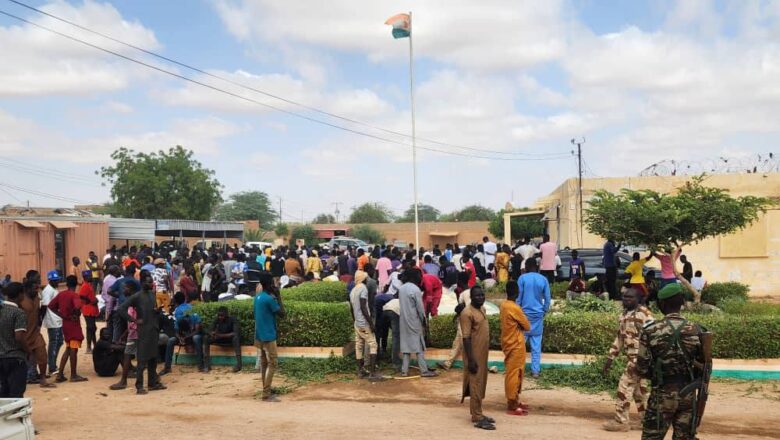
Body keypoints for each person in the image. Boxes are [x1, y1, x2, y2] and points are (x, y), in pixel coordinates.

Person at [637, 283, 704, 439]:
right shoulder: (697, 330)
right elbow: (703, 366)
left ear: (662, 304)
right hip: (688, 396)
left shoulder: (650, 331)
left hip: (662, 395)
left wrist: (658, 374)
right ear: (681, 303)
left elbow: (641, 368)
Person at [602, 287, 654, 432]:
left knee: (623, 388)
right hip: (631, 358)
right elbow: (620, 337)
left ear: (639, 300)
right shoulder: (624, 314)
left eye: (630, 297)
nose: (626, 300)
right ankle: (648, 422)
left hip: (639, 359)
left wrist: (648, 359)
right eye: (625, 297)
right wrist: (610, 357)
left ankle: (621, 422)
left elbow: (655, 337)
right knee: (640, 392)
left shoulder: (645, 315)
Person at [118, 271, 167, 395]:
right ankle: (139, 386)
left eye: (151, 282)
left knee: (153, 358)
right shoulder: (137, 296)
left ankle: (152, 383)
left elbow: (150, 310)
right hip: (143, 330)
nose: (151, 284)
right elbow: (121, 309)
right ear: (142, 283)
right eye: (149, 282)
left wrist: (156, 311)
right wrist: (133, 320)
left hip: (153, 329)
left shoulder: (152, 294)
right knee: (142, 359)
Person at [460, 286, 494, 430]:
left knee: (480, 383)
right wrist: (471, 359)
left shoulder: (482, 309)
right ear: (471, 297)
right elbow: (466, 338)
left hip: (482, 353)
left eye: (482, 295)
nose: (481, 298)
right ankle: (477, 416)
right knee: (475, 383)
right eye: (477, 296)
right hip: (473, 355)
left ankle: (479, 412)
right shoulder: (467, 313)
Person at [48, 275, 87, 383]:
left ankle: (60, 374)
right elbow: (78, 306)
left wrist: (62, 315)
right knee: (73, 349)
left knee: (68, 349)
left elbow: (51, 306)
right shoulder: (74, 295)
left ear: (67, 284)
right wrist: (75, 313)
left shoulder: (61, 294)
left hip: (65, 323)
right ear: (76, 284)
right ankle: (73, 375)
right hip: (73, 324)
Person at [500, 282, 531, 416]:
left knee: (514, 372)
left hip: (508, 342)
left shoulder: (503, 305)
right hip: (516, 344)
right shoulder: (514, 307)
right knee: (514, 373)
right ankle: (512, 404)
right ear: (517, 292)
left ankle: (515, 400)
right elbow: (527, 325)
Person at [517, 257, 550, 378]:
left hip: (524, 315)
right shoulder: (543, 279)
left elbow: (518, 297)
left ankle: (517, 369)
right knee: (536, 345)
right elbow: (547, 298)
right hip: (538, 315)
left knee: (520, 345)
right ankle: (535, 371)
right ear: (536, 266)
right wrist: (544, 310)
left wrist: (517, 311)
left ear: (525, 267)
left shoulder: (522, 278)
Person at [19, 271, 54, 388]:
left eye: (37, 288)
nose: (36, 290)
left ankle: (43, 379)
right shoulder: (21, 299)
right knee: (23, 359)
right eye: (34, 289)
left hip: (35, 332)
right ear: (27, 289)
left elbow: (39, 311)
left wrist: (39, 322)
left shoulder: (37, 297)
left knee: (42, 354)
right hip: (22, 334)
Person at [398, 268, 435, 378]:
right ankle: (424, 371)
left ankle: (404, 371)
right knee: (418, 345)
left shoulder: (401, 288)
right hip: (414, 320)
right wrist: (423, 321)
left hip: (403, 320)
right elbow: (420, 308)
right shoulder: (416, 289)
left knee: (406, 345)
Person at [254, 278, 285, 402]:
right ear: (270, 285)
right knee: (273, 363)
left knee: (264, 363)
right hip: (268, 336)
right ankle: (266, 393)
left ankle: (266, 389)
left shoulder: (258, 297)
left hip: (259, 335)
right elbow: (282, 314)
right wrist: (278, 296)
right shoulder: (269, 299)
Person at [160, 292, 204, 374]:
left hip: (192, 335)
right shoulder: (183, 312)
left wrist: (185, 337)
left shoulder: (181, 311)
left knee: (196, 338)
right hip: (184, 336)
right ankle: (167, 367)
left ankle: (201, 365)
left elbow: (197, 330)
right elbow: (176, 330)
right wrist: (180, 338)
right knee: (171, 340)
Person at [349, 271, 381, 381]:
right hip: (363, 323)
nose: (368, 280)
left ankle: (360, 371)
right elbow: (363, 307)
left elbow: (352, 308)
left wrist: (356, 321)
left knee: (359, 346)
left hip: (357, 323)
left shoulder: (353, 290)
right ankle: (372, 373)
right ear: (363, 279)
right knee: (373, 345)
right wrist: (371, 323)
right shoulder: (363, 288)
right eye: (366, 278)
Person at [110, 280, 141, 390]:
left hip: (136, 333)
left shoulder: (134, 301)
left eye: (125, 288)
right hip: (133, 332)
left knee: (130, 355)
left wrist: (134, 323)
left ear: (130, 289)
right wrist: (125, 333)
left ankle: (125, 381)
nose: (123, 290)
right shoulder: (132, 300)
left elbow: (135, 320)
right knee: (130, 355)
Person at [0, 282, 29, 398]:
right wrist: (28, 350)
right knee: (16, 392)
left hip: (1, 357)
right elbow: (19, 337)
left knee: (4, 391)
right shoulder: (19, 313)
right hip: (15, 358)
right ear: (20, 295)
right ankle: (16, 416)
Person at [202, 306, 242, 372]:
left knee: (236, 338)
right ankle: (207, 365)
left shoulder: (233, 319)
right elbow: (209, 330)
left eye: (222, 315)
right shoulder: (217, 319)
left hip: (229, 339)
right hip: (219, 338)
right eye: (219, 315)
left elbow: (235, 333)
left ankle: (239, 365)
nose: (220, 317)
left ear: (226, 314)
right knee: (206, 338)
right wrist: (212, 333)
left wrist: (220, 335)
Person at [41, 270, 64, 376]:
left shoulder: (54, 289)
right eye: (54, 280)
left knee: (59, 342)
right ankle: (52, 366)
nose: (57, 282)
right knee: (54, 343)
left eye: (57, 280)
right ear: (49, 280)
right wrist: (41, 320)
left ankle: (52, 364)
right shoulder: (47, 290)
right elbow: (45, 306)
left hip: (58, 320)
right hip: (52, 321)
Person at [79, 271, 99, 354]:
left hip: (91, 310)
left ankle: (94, 345)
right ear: (85, 277)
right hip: (88, 310)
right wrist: (90, 301)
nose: (91, 277)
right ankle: (88, 347)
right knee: (90, 328)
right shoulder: (85, 286)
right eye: (90, 276)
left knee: (93, 328)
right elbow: (81, 296)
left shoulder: (88, 285)